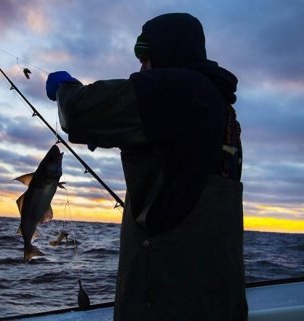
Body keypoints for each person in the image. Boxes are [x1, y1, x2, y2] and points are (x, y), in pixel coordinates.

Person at [46, 12, 247, 321]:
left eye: (146, 58)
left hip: (166, 302)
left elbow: (77, 112)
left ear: (168, 51)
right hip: (217, 299)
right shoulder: (221, 109)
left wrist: (65, 88)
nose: (141, 68)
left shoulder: (175, 90)